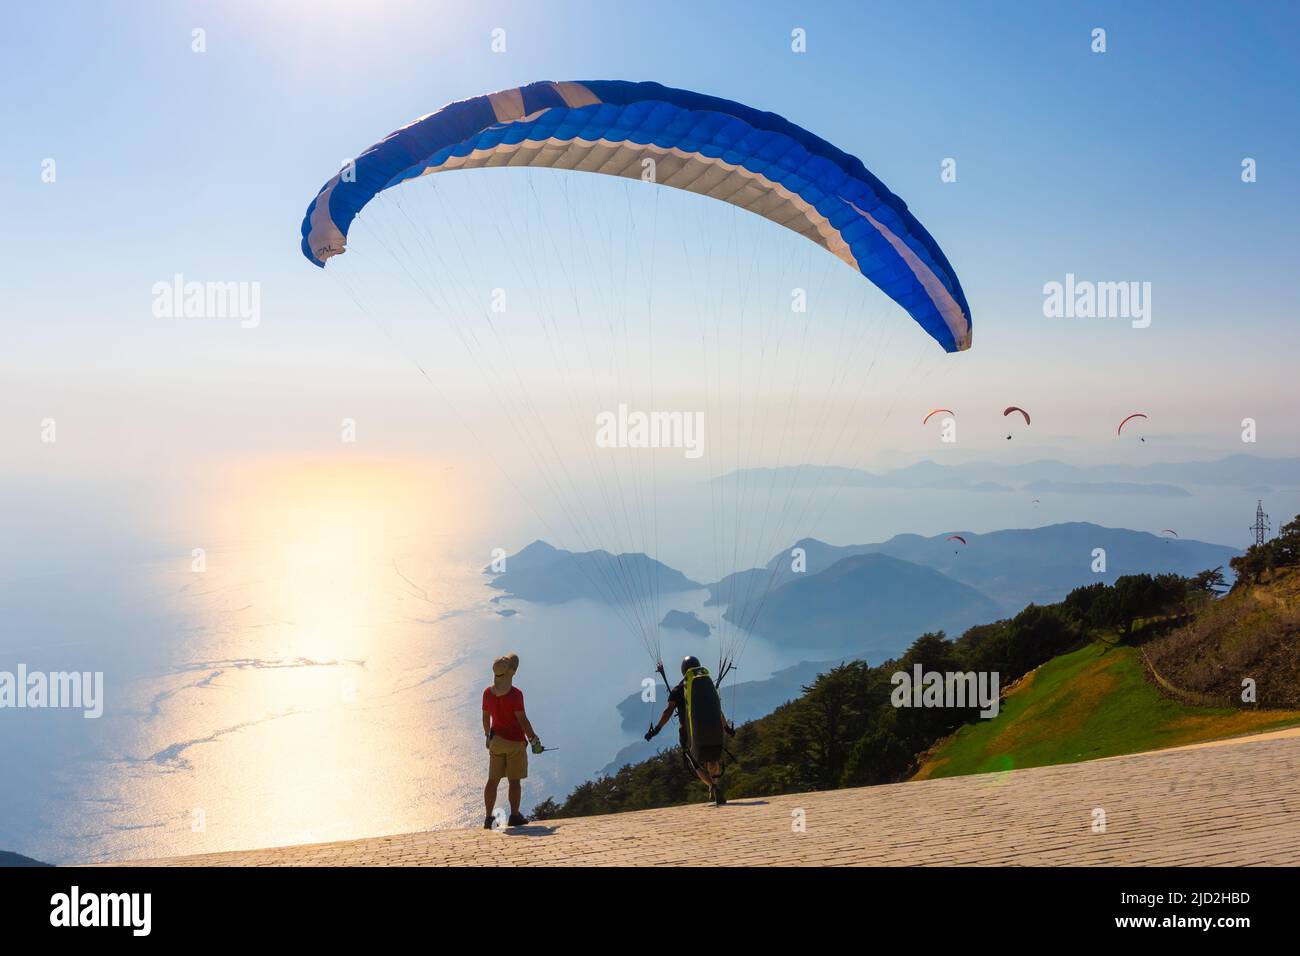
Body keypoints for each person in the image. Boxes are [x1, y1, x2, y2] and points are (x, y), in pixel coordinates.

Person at [645, 655, 734, 803]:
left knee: (696, 762)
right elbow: (716, 709)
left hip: (688, 733)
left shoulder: (678, 690)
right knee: (712, 758)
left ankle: (712, 786)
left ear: (683, 671)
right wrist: (726, 728)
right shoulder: (707, 685)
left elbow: (668, 712)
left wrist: (656, 730)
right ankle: (716, 784)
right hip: (713, 727)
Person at [481, 653, 542, 829]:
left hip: (496, 741)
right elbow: (523, 720)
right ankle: (514, 816)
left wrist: (487, 736)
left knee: (492, 781)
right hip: (515, 742)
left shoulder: (487, 693)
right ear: (510, 673)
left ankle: (488, 818)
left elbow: (485, 718)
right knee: (514, 781)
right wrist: (533, 740)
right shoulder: (515, 695)